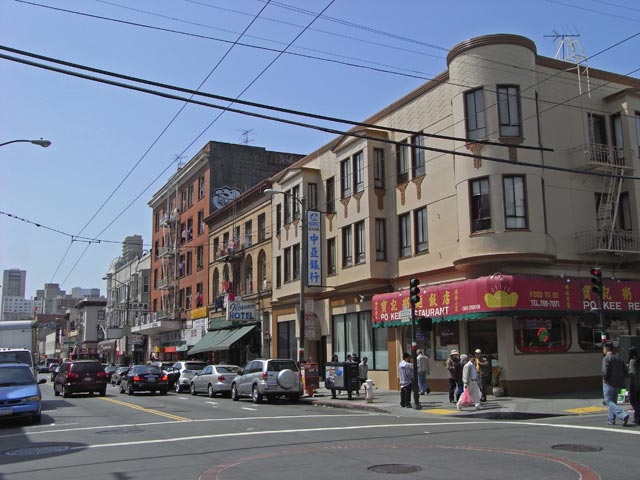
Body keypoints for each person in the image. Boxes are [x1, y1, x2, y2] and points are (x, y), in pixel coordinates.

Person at [602, 342, 629, 426]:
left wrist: (605, 379)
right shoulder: (619, 358)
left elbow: (605, 372)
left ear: (606, 349)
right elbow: (625, 371)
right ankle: (611, 420)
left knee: (608, 401)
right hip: (619, 383)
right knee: (613, 402)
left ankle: (623, 414)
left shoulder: (606, 358)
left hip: (609, 383)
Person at [627, 346, 639, 425]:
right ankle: (636, 419)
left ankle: (637, 416)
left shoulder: (632, 361)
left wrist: (626, 372)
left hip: (634, 384)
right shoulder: (638, 360)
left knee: (633, 401)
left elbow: (632, 373)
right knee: (638, 401)